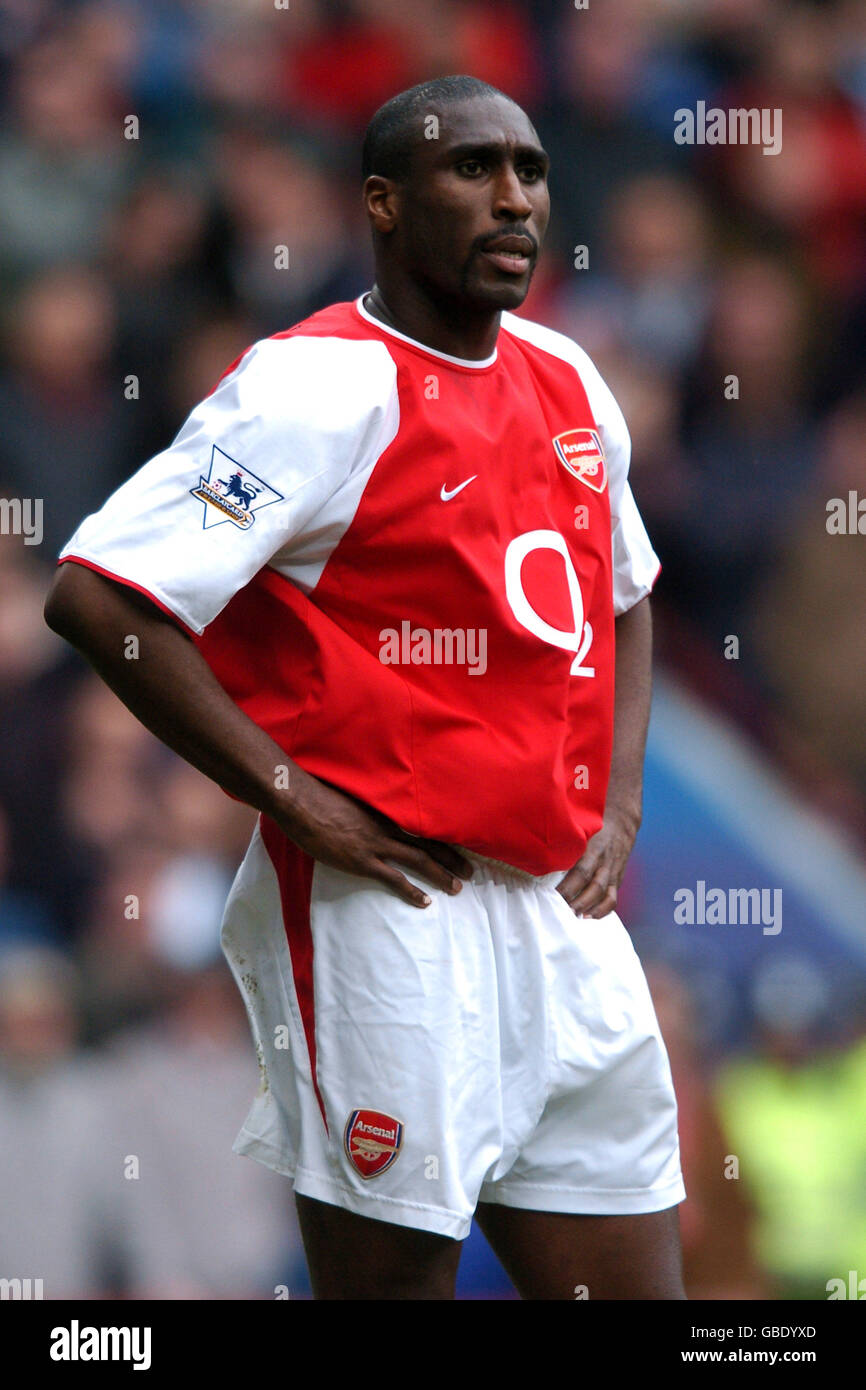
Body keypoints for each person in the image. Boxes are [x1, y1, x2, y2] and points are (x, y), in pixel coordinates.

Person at [44, 75, 685, 1300]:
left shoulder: (567, 377)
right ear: (382, 204)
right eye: (473, 169)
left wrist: (622, 805)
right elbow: (98, 595)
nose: (512, 200)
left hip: (565, 913)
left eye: (532, 171)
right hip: (391, 907)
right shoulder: (309, 386)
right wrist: (293, 798)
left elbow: (626, 593)